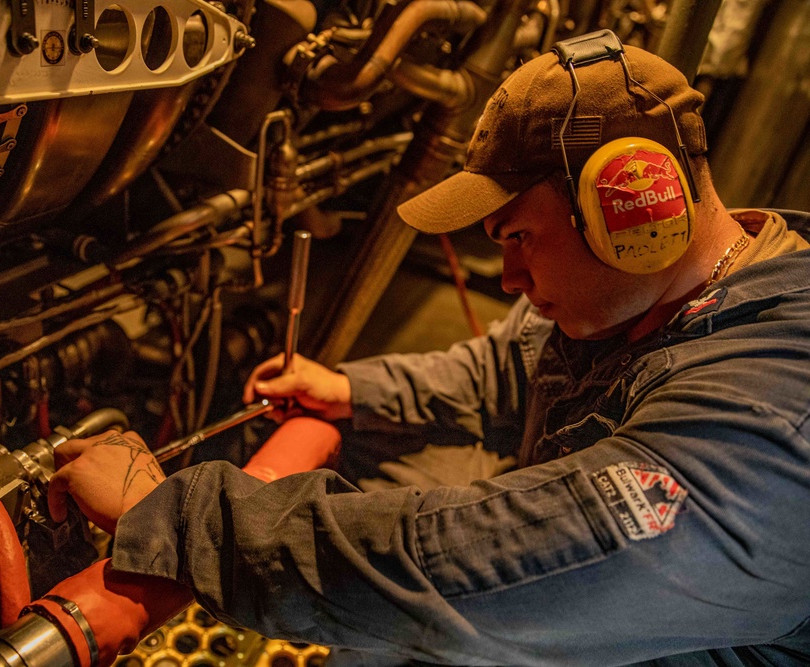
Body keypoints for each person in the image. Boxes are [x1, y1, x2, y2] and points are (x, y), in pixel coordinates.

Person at [46, 31, 810, 666]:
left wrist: (175, 518)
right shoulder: (644, 298)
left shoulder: (768, 421)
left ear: (632, 202)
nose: (509, 278)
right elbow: (508, 366)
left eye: (518, 238)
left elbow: (486, 564)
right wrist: (353, 390)